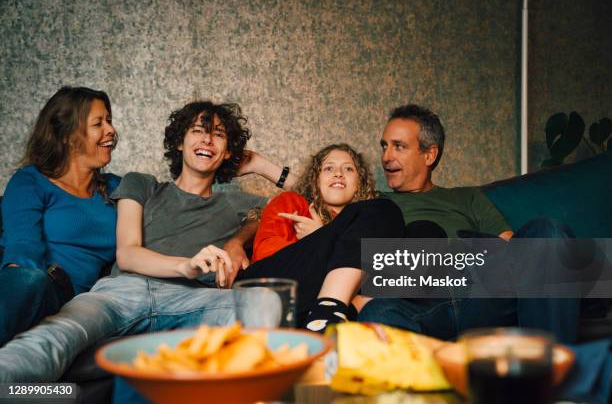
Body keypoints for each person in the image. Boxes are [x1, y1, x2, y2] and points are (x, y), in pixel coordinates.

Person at [0, 101, 405, 382]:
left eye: (219, 136)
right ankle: (23, 389)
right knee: (55, 337)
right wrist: (186, 264)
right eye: (199, 131)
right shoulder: (140, 184)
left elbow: (309, 186)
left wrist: (249, 203)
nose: (208, 140)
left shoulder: (240, 203)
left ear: (229, 150)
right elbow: (127, 252)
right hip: (121, 290)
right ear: (179, 141)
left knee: (268, 313)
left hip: (197, 299)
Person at [357, 104, 580, 343]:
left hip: (481, 292)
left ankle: (552, 366)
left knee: (548, 232)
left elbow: (510, 244)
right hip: (420, 302)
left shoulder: (467, 197)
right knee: (377, 313)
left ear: (429, 154)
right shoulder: (374, 202)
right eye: (384, 146)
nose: (386, 157)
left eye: (398, 146)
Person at [0, 86, 120, 346]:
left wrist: (233, 240)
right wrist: (24, 287)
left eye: (109, 120)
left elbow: (171, 204)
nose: (110, 130)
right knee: (30, 279)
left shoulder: (116, 189)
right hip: (35, 284)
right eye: (98, 123)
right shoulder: (30, 181)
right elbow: (23, 246)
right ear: (67, 136)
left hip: (78, 303)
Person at [249, 143, 376, 330]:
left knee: (395, 215)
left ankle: (333, 316)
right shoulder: (292, 202)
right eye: (329, 168)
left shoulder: (370, 220)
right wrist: (321, 238)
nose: (338, 173)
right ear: (315, 179)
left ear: (360, 181)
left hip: (317, 304)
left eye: (348, 169)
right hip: (276, 287)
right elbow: (265, 256)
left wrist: (322, 233)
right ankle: (328, 314)